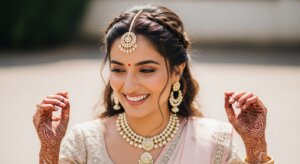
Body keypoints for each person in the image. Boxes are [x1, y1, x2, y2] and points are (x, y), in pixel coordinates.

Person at [33, 4, 274, 164]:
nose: (129, 85)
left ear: (177, 71)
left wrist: (256, 148)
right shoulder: (85, 142)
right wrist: (49, 150)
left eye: (146, 70)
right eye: (118, 69)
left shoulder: (214, 141)